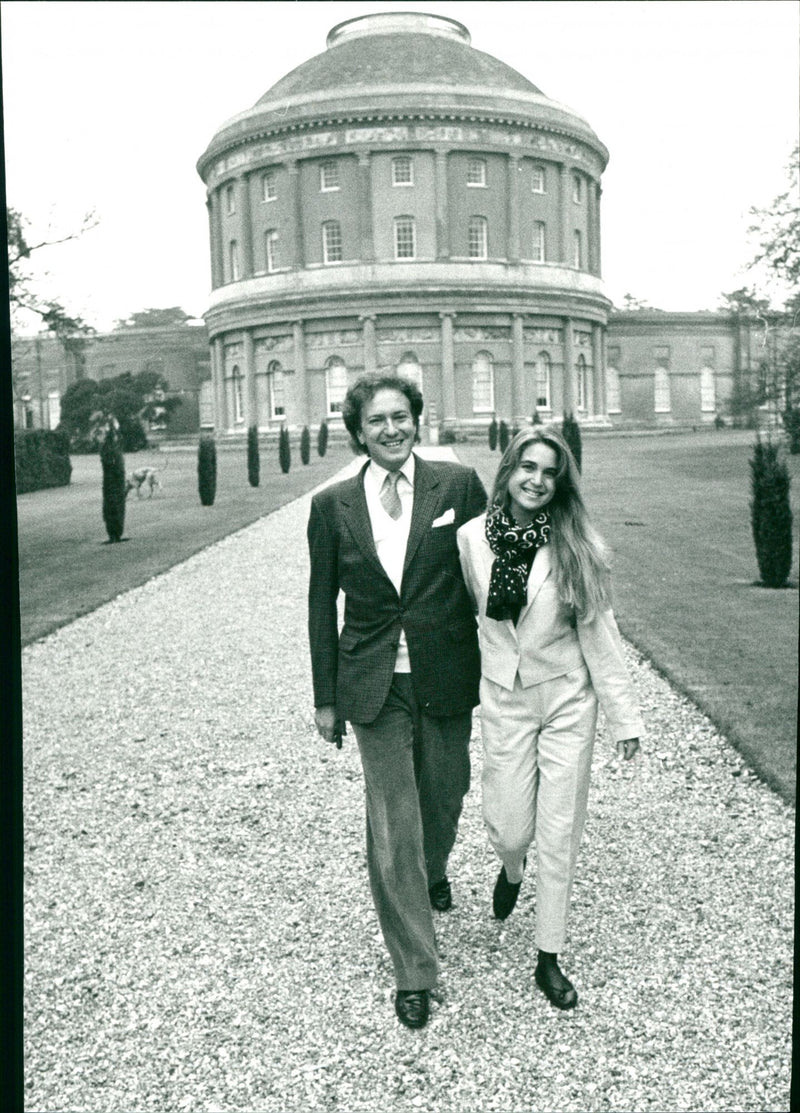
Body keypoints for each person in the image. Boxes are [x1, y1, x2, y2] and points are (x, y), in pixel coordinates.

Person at [307, 373, 487, 1029]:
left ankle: (432, 868)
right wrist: (325, 696)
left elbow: (488, 574)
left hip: (445, 673)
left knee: (445, 794)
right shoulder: (331, 506)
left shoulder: (458, 485)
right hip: (372, 684)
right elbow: (319, 601)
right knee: (393, 822)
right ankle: (415, 968)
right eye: (376, 420)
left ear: (417, 419)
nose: (391, 428)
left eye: (400, 416)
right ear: (358, 431)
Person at [456, 426, 644, 1010]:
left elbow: (600, 632)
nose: (537, 481)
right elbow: (471, 613)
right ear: (509, 471)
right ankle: (511, 870)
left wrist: (625, 718)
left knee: (559, 831)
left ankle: (549, 955)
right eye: (528, 468)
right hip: (504, 700)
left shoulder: (575, 544)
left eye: (550, 473)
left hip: (567, 702)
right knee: (509, 826)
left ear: (560, 484)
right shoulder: (469, 540)